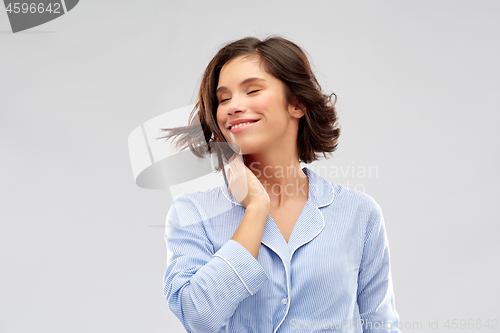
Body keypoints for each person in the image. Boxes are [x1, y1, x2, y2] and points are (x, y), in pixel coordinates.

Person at [160, 36, 401, 333]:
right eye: (223, 98)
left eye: (252, 90)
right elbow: (198, 316)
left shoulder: (358, 213)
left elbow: (380, 325)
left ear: (297, 103)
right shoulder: (194, 213)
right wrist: (256, 210)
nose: (233, 106)